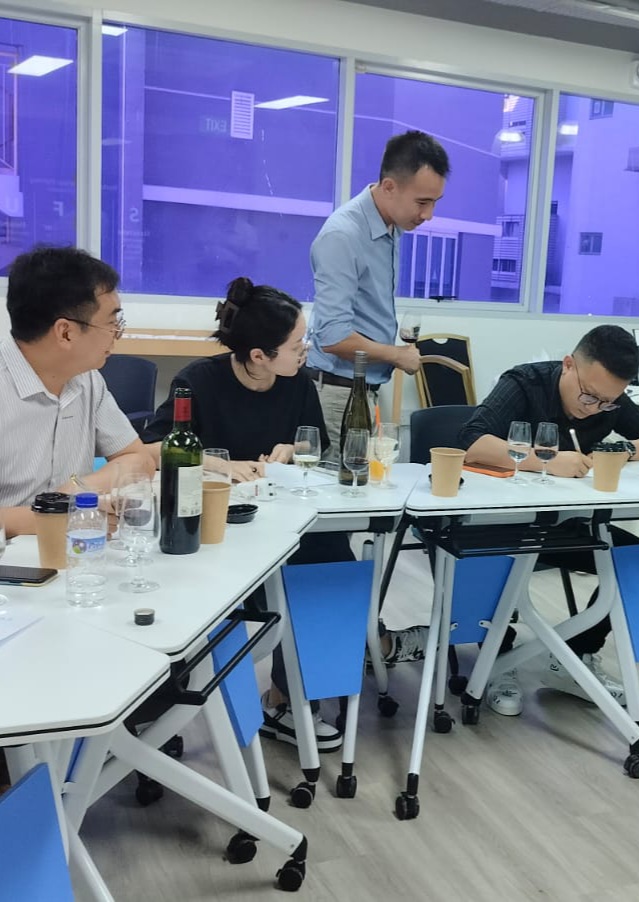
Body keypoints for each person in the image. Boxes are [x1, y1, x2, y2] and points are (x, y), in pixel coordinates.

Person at [142, 277, 352, 752]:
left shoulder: (298, 382)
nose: (306, 350)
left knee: (332, 560)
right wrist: (222, 465)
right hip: (218, 523)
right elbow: (153, 448)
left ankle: (288, 697)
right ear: (259, 355)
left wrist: (292, 451)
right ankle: (173, 707)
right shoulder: (198, 381)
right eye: (297, 344)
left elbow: (313, 445)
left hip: (284, 515)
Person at [459, 324, 639, 716]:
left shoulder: (608, 398)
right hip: (501, 524)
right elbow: (471, 440)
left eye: (607, 402)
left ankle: (575, 656)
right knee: (494, 565)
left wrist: (619, 449)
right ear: (569, 364)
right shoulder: (525, 383)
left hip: (566, 524)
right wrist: (547, 460)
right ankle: (497, 659)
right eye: (589, 395)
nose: (594, 407)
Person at [307, 130, 450, 458]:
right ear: (389, 187)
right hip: (336, 392)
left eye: (434, 203)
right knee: (343, 488)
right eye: (422, 202)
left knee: (370, 483)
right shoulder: (343, 236)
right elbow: (333, 337)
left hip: (363, 389)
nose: (428, 215)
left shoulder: (391, 226)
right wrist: (396, 355)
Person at [0, 245, 153, 538]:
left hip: (78, 552)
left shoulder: (87, 380)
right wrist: (59, 515)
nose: (117, 335)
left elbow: (139, 460)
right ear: (66, 332)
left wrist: (77, 492)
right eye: (112, 323)